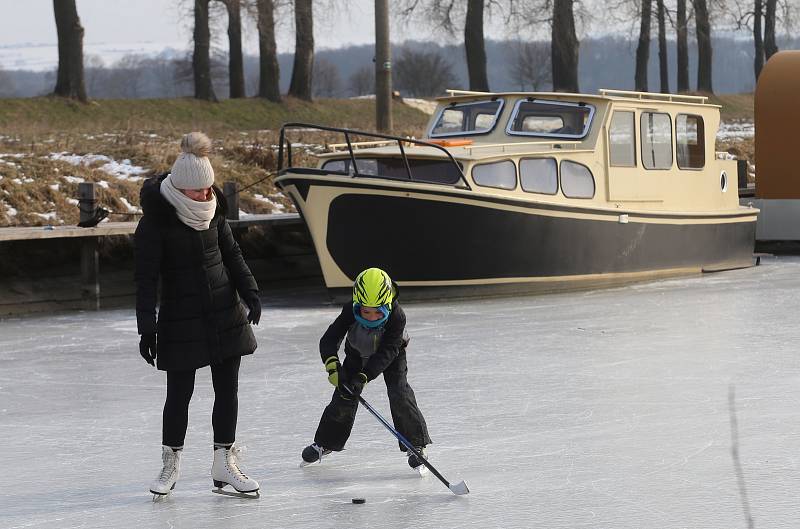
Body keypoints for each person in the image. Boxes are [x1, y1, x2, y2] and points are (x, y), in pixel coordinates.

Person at [135, 132, 262, 499]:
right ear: (180, 188)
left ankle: (224, 462)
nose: (206, 196)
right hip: (180, 318)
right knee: (179, 394)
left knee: (228, 390)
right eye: (199, 191)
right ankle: (170, 464)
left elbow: (232, 254)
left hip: (225, 311)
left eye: (209, 189)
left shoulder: (213, 212)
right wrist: (147, 329)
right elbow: (145, 281)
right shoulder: (156, 223)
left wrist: (250, 291)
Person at [301, 267, 432, 471]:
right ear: (357, 305)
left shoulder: (397, 316)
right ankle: (326, 442)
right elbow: (329, 340)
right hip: (356, 352)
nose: (371, 317)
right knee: (344, 394)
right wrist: (333, 366)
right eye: (365, 311)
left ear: (388, 304)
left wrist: (364, 377)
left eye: (378, 311)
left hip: (392, 355)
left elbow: (387, 352)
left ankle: (416, 443)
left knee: (399, 391)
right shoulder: (349, 310)